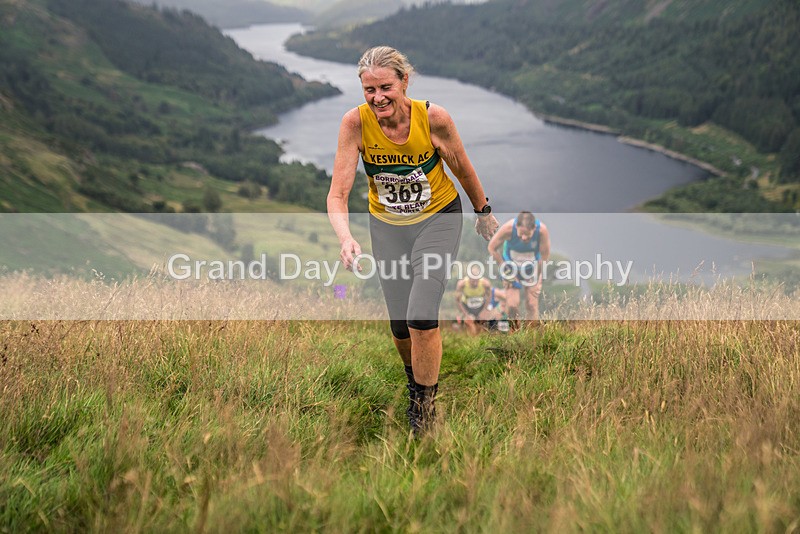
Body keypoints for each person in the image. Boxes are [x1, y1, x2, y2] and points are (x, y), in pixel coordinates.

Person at [327, 45, 499, 436]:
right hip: (387, 227)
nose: (378, 98)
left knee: (421, 314)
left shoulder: (433, 118)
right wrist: (345, 238)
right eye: (369, 90)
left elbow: (462, 166)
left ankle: (424, 407)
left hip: (437, 219)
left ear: (405, 81)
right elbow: (337, 194)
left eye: (385, 87)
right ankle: (413, 379)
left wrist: (483, 212)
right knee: (401, 325)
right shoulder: (354, 124)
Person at [488, 211, 551, 323]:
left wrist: (537, 278)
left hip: (532, 269)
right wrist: (505, 271)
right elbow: (492, 248)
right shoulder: (508, 228)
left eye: (528, 234)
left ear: (534, 228)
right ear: (516, 226)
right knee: (512, 304)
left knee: (531, 304)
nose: (524, 237)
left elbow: (545, 256)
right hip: (510, 268)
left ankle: (532, 336)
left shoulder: (542, 231)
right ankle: (514, 334)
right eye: (521, 233)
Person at [454, 266, 493, 336]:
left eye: (476, 280)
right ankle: (472, 340)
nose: (475, 283)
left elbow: (489, 296)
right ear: (469, 278)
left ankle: (484, 339)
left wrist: (484, 310)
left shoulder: (485, 283)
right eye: (473, 281)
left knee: (486, 321)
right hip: (467, 307)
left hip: (481, 307)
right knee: (468, 322)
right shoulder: (462, 284)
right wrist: (466, 314)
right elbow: (458, 301)